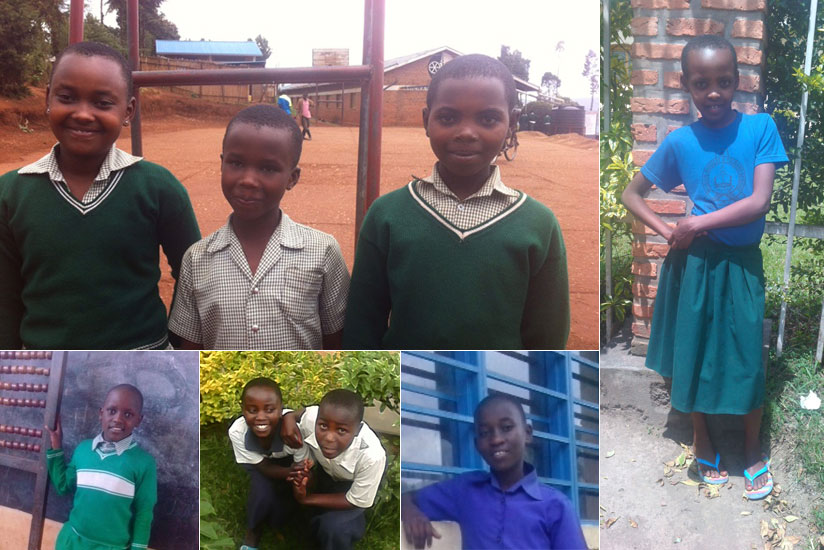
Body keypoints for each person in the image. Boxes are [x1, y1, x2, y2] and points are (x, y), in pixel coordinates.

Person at [621, 35, 788, 500]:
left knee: (746, 358)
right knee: (692, 354)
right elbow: (630, 194)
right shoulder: (680, 141)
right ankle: (702, 442)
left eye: (723, 81)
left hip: (740, 265)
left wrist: (694, 221)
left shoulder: (760, 129)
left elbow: (758, 202)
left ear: (737, 81)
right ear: (687, 86)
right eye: (701, 83)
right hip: (692, 264)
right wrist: (669, 230)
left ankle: (753, 450)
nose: (713, 91)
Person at [342, 54, 569, 349]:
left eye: (488, 119)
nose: (466, 133)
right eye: (448, 118)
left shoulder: (538, 224)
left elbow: (547, 336)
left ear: (512, 123)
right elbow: (363, 322)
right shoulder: (387, 215)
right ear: (426, 121)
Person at [0, 41, 200, 350]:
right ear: (48, 99)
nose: (82, 114)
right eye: (67, 98)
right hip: (48, 365)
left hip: (144, 359)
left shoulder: (159, 188)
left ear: (128, 111)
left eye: (102, 103)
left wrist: (168, 347)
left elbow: (193, 278)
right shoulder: (11, 193)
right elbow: (5, 295)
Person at [168, 104, 349, 350]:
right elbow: (190, 347)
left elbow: (335, 341)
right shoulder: (197, 259)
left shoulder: (323, 251)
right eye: (236, 163)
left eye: (267, 168)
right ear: (222, 164)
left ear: (292, 178)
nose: (248, 180)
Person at [402, 393, 587, 550]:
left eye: (506, 428)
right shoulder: (465, 491)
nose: (496, 439)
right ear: (476, 444)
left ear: (527, 433)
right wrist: (411, 513)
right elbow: (406, 498)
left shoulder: (555, 505)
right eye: (484, 432)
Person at [45, 384, 157, 550]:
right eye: (112, 411)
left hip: (112, 546)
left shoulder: (144, 463)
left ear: (138, 420)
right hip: (72, 542)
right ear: (101, 413)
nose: (118, 419)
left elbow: (144, 513)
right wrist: (56, 447)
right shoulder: (83, 450)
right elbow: (62, 486)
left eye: (128, 414)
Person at [287, 389, 386, 550]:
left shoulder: (372, 456)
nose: (329, 437)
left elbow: (354, 500)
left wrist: (307, 499)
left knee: (334, 527)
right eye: (323, 426)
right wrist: (288, 418)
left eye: (341, 430)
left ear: (357, 430)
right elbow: (302, 413)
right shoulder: (312, 419)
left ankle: (346, 529)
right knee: (303, 515)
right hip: (326, 473)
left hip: (351, 484)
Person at [228, 377, 305, 550]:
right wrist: (289, 473)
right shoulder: (237, 431)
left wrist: (298, 474)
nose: (260, 417)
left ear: (280, 410)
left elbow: (303, 465)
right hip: (261, 465)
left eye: (269, 410)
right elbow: (263, 466)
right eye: (252, 410)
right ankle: (252, 534)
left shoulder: (295, 430)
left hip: (290, 462)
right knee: (262, 494)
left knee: (281, 516)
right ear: (243, 410)